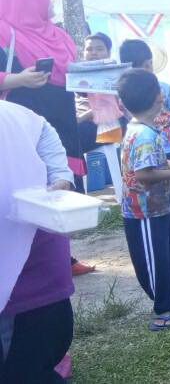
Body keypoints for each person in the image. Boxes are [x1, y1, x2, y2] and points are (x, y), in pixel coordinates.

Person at [0, 0, 93, 276]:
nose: (50, 3)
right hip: (21, 125)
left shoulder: (56, 34)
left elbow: (70, 72)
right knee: (29, 190)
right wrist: (20, 79)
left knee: (60, 184)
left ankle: (62, 256)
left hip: (60, 119)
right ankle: (29, 261)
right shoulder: (3, 34)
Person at [116, 69, 170, 331]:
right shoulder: (145, 135)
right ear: (158, 98)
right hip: (143, 213)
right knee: (152, 260)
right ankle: (162, 307)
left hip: (157, 208)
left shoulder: (142, 130)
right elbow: (144, 174)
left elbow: (151, 163)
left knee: (168, 254)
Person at [0, 101, 75, 383]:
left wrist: (59, 177)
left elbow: (45, 134)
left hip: (29, 281)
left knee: (23, 367)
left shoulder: (18, 117)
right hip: (39, 275)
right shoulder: (20, 115)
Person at [119, 40, 170, 256]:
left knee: (166, 197)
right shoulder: (145, 132)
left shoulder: (126, 99)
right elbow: (143, 175)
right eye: (147, 65)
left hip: (162, 154)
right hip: (164, 149)